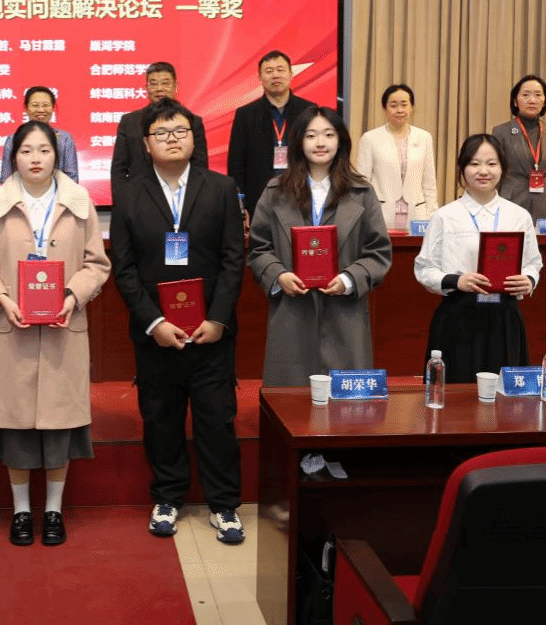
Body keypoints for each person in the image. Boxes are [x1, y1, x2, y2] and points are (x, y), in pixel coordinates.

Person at [0, 121, 111, 547]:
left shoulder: (79, 201)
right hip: (12, 331)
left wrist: (73, 295)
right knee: (15, 429)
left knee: (59, 427)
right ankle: (20, 512)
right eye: (26, 150)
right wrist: (1, 298)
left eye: (44, 150)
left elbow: (97, 265)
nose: (35, 159)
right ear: (13, 156)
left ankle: (53, 511)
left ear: (57, 155)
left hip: (64, 329)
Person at [109, 98, 246, 545]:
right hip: (156, 335)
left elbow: (233, 258)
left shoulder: (221, 188)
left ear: (193, 138)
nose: (172, 139)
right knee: (160, 418)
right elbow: (124, 268)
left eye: (180, 131)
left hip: (211, 332)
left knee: (216, 419)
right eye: (162, 133)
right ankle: (167, 497)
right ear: (146, 144)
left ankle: (224, 505)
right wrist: (153, 323)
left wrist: (218, 318)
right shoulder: (129, 194)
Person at [249, 106, 393, 386]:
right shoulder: (275, 192)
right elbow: (258, 248)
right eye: (311, 135)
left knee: (343, 405)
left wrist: (349, 279)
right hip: (292, 312)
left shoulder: (362, 193)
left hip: (345, 313)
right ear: (299, 142)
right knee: (290, 402)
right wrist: (279, 275)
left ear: (340, 141)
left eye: (328, 134)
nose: (320, 142)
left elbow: (378, 252)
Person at [414, 134, 544, 383]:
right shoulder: (444, 216)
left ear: (502, 168)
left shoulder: (518, 216)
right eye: (474, 164)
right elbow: (424, 268)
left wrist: (529, 280)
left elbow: (533, 262)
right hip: (458, 317)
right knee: (456, 397)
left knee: (506, 396)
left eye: (491, 164)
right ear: (462, 169)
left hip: (505, 317)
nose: (483, 171)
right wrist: (457, 281)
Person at [227, 50, 318, 217]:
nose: (275, 75)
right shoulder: (246, 114)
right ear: (260, 78)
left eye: (280, 70)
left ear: (290, 74)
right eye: (269, 71)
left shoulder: (309, 111)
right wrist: (240, 204)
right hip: (259, 200)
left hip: (302, 197)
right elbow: (236, 164)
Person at [110, 61, 208, 202]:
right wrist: (122, 202)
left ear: (175, 86)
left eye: (165, 83)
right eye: (153, 84)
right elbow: (119, 169)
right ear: (146, 88)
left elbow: (200, 165)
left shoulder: (192, 121)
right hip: (139, 198)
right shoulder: (129, 122)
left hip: (180, 197)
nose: (159, 89)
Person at [355, 84, 439, 231]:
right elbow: (362, 183)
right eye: (393, 105)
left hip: (417, 215)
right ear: (384, 109)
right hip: (381, 213)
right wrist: (363, 216)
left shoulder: (424, 137)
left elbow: (429, 183)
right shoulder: (370, 138)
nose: (399, 110)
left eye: (404, 105)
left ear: (411, 107)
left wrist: (433, 216)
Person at [491, 74, 546, 220]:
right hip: (511, 204)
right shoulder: (501, 132)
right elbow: (495, 175)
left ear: (545, 101)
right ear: (515, 101)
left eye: (538, 95)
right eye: (525, 95)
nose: (532, 100)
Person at [0, 86, 79, 183]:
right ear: (26, 108)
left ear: (53, 108)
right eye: (35, 105)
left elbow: (72, 178)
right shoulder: (13, 139)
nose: (41, 110)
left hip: (59, 192)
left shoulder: (64, 139)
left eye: (45, 105)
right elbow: (6, 178)